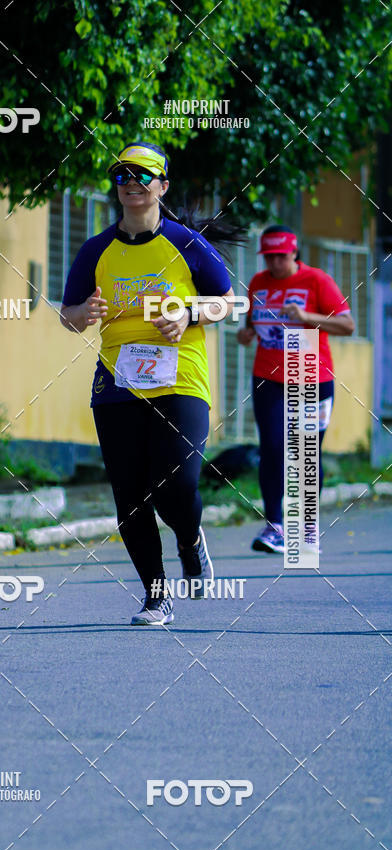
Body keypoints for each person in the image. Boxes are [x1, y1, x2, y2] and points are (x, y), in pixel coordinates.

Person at [60, 141, 240, 625]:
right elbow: (69, 314)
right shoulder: (96, 249)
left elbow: (229, 301)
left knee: (176, 485)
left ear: (162, 185)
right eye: (122, 176)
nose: (132, 184)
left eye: (143, 176)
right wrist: (84, 314)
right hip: (118, 383)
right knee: (130, 494)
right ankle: (156, 596)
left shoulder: (186, 244)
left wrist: (189, 312)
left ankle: (190, 540)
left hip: (181, 378)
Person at [237, 225, 355, 553]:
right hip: (268, 376)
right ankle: (275, 525)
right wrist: (245, 336)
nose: (275, 263)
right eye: (269, 257)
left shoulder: (316, 280)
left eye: (281, 256)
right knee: (272, 448)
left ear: (294, 253)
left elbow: (347, 325)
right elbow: (252, 327)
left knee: (305, 454)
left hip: (311, 376)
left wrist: (307, 316)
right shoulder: (258, 284)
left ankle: (307, 527)